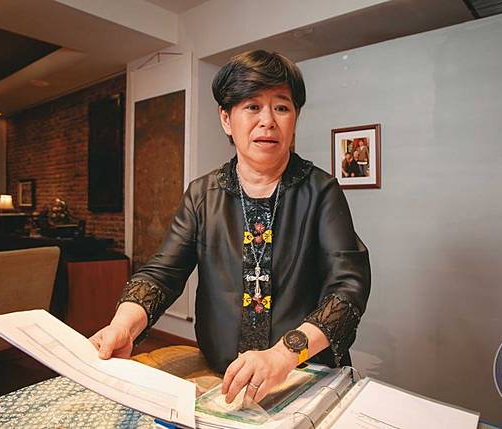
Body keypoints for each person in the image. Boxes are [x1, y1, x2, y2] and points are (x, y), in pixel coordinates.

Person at [90, 50, 371, 405]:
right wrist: (122, 326)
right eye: (252, 107)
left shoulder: (321, 191)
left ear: (295, 118)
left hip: (304, 377)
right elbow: (162, 274)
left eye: (281, 107)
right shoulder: (202, 195)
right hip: (223, 377)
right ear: (226, 119)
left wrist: (283, 354)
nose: (268, 121)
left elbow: (347, 289)